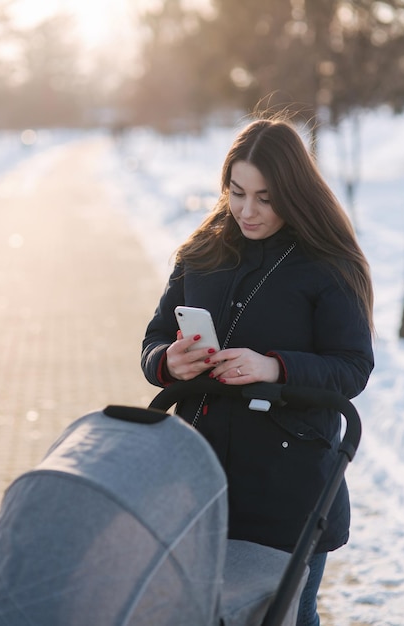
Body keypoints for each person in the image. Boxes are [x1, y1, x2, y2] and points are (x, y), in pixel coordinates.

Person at [141, 116, 374, 626]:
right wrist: (166, 361)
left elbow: (353, 368)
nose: (247, 210)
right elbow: (155, 336)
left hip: (289, 484)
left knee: (287, 613)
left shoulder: (327, 264)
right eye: (237, 191)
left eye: (265, 198)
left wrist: (273, 367)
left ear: (293, 192)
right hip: (199, 473)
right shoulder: (202, 252)